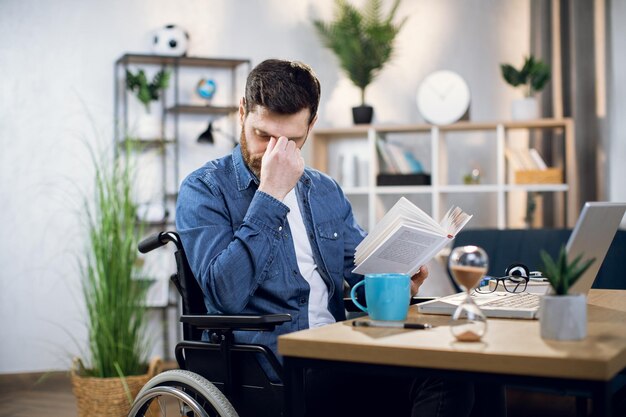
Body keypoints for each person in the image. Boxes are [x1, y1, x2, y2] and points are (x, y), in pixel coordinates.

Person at [176, 59, 478, 417]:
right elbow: (225, 294)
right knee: (443, 379)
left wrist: (398, 281)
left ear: (312, 125)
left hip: (339, 349)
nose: (275, 152)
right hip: (272, 366)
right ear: (242, 112)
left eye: (291, 139)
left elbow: (357, 276)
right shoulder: (205, 188)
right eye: (263, 136)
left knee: (470, 370)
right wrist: (270, 195)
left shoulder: (324, 190)